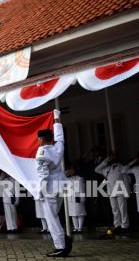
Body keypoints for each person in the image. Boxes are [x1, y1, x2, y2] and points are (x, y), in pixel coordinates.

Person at [36, 109, 72, 257]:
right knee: (55, 215)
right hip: (60, 184)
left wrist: (40, 190)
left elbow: (42, 173)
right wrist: (57, 118)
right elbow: (60, 137)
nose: (38, 141)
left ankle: (61, 246)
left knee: (51, 218)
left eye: (38, 139)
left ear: (42, 139)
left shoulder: (42, 151)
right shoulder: (58, 147)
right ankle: (63, 240)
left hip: (49, 186)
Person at [95, 152, 131, 233]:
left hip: (121, 190)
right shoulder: (107, 169)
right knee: (114, 209)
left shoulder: (122, 167)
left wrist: (127, 193)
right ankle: (117, 225)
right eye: (111, 157)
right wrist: (107, 159)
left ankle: (125, 226)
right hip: (111, 191)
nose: (112, 158)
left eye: (113, 156)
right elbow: (96, 169)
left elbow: (126, 180)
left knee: (123, 209)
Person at [66, 165, 86, 233]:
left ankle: (80, 228)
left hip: (77, 196)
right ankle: (76, 228)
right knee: (73, 214)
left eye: (72, 170)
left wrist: (82, 198)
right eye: (70, 170)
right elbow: (61, 178)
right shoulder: (68, 179)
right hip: (70, 197)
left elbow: (82, 189)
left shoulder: (79, 178)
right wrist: (66, 173)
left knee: (80, 213)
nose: (71, 171)